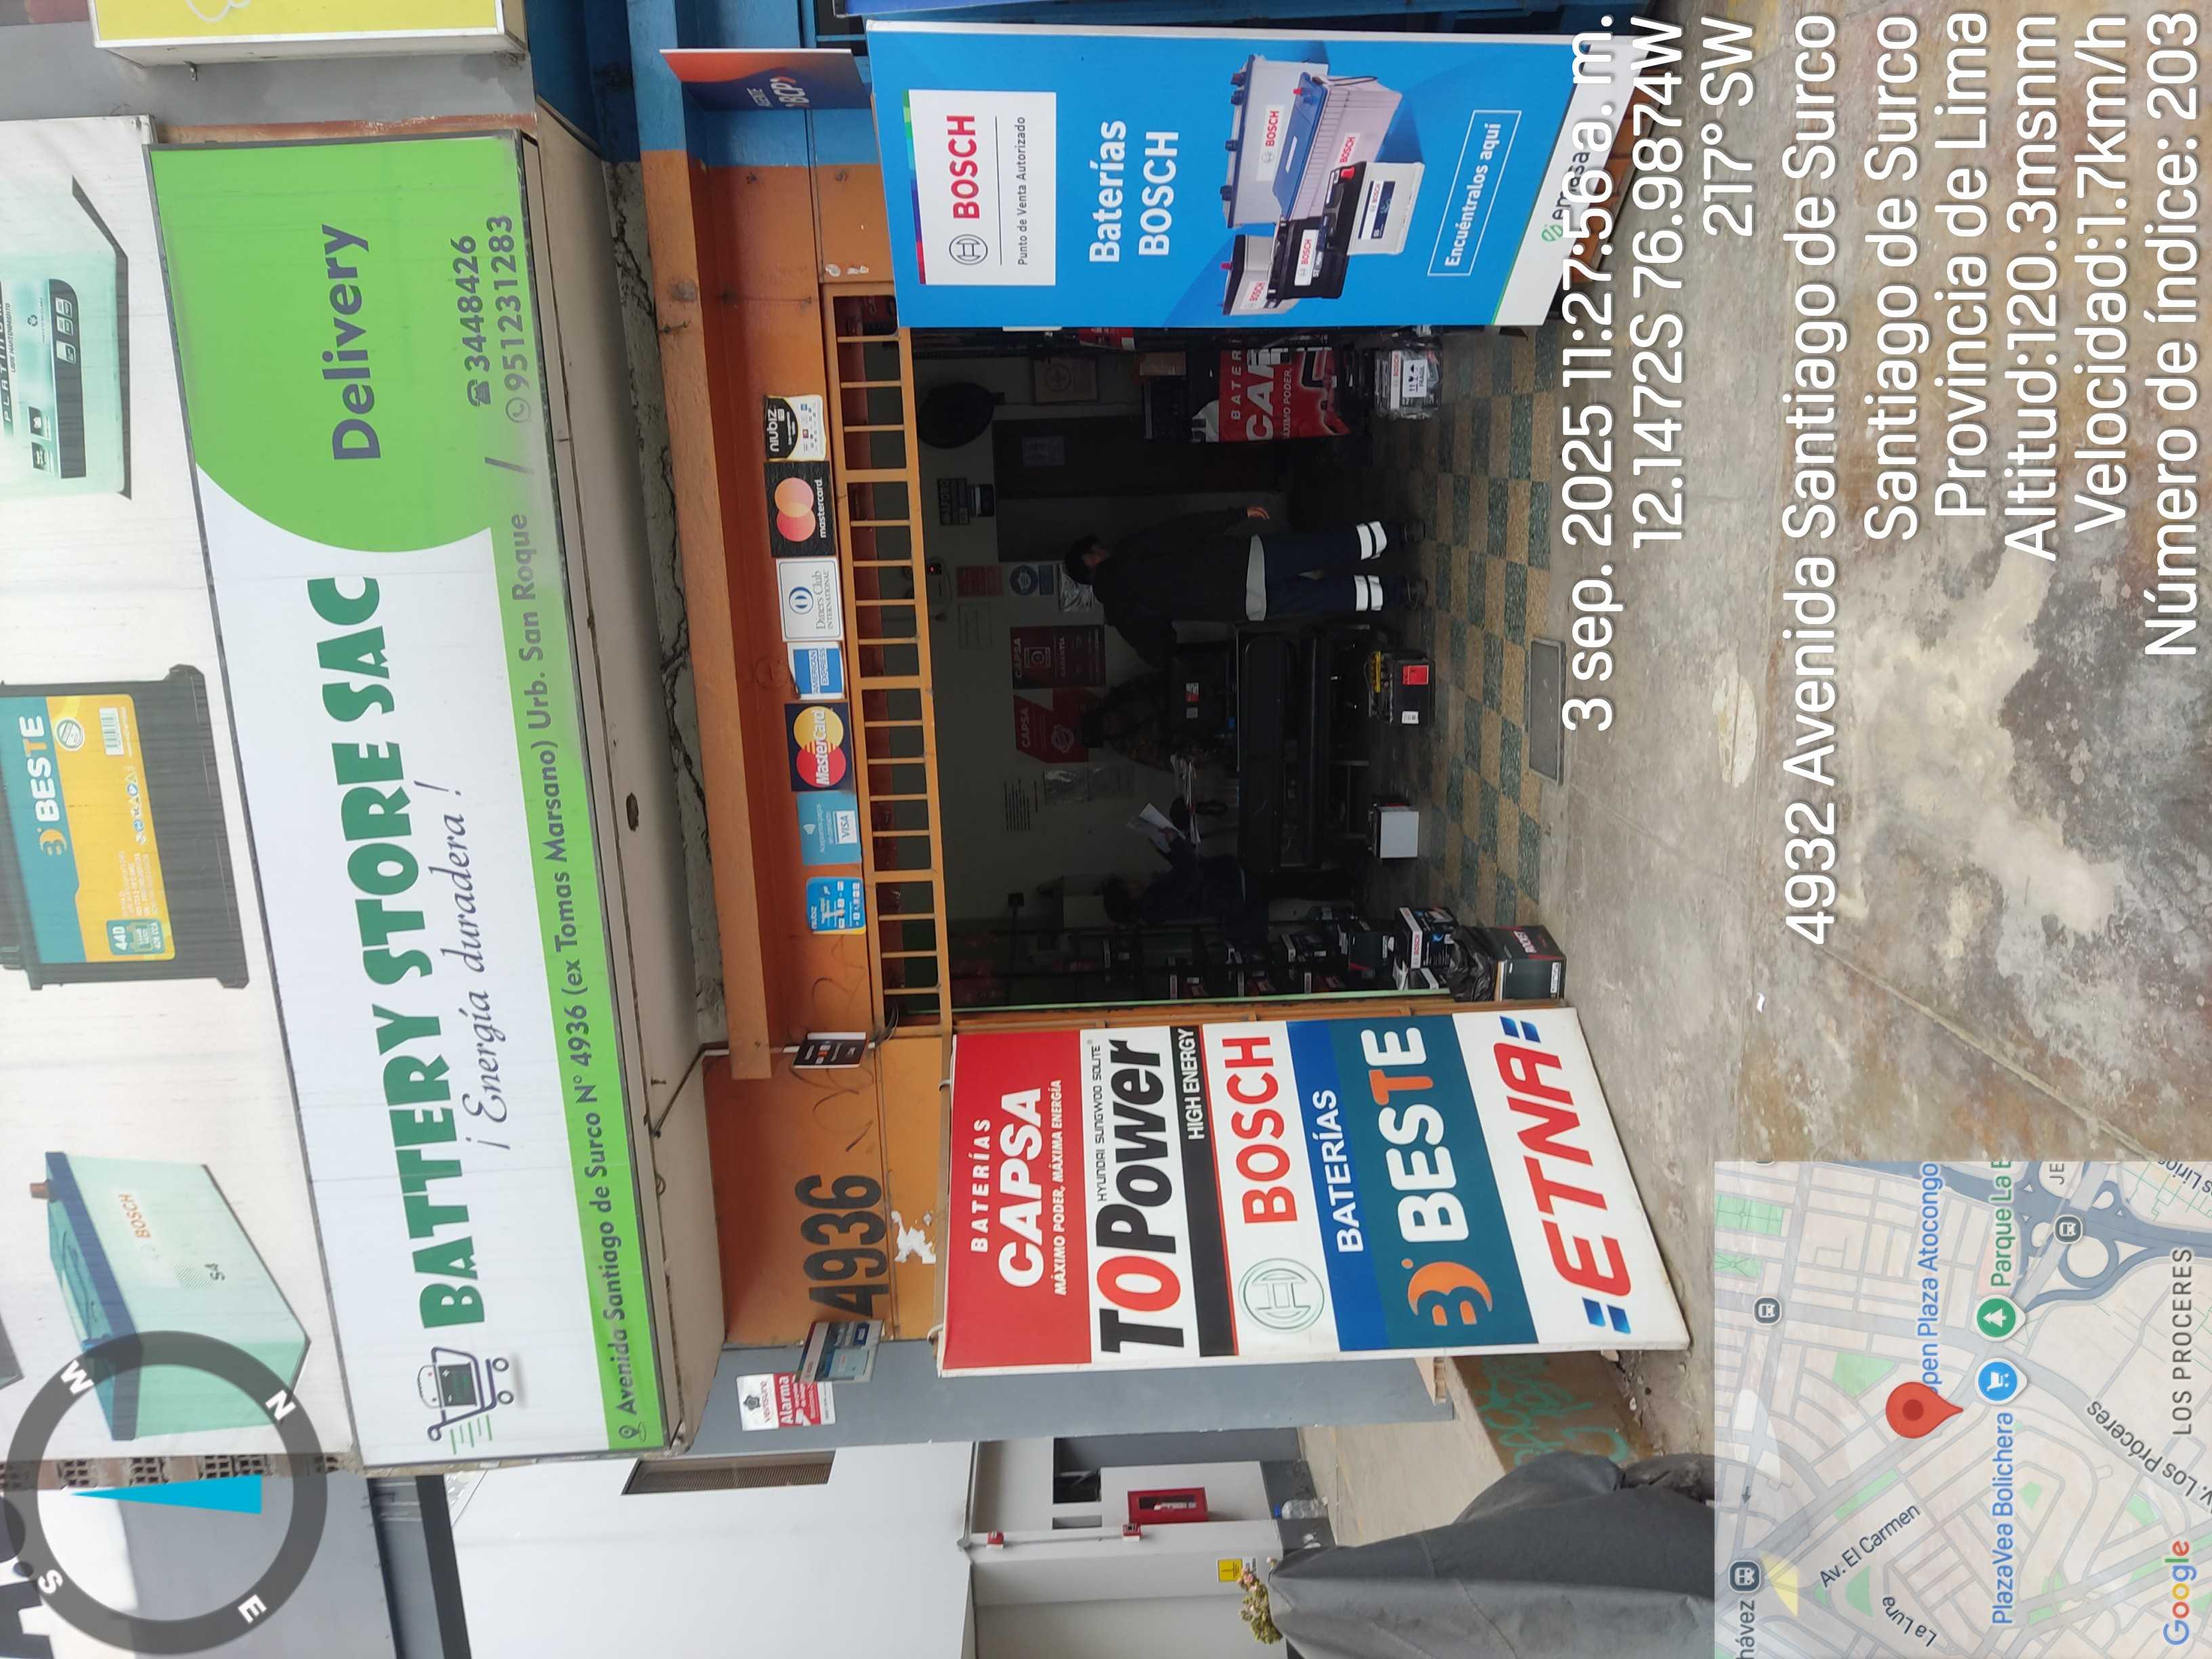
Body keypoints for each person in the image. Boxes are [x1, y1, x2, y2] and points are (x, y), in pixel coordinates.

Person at [1064, 506, 1425, 668]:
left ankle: (1402, 593)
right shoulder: (1129, 553)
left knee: (1325, 597)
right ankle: (1398, 535)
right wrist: (1235, 515)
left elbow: (1161, 652)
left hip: (1241, 603)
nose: (1104, 547)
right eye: (1097, 548)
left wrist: (1168, 611)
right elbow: (1182, 530)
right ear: (1092, 558)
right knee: (1324, 548)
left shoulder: (1124, 616)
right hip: (1242, 560)